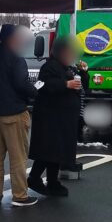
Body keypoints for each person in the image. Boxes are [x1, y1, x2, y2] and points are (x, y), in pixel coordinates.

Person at [0, 24, 38, 208]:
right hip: (14, 112)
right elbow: (22, 84)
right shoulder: (16, 59)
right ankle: (20, 195)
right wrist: (36, 92)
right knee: (18, 157)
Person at [28, 36, 88, 196]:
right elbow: (42, 86)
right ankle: (34, 177)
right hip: (50, 118)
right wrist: (65, 84)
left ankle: (53, 182)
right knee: (48, 150)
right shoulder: (49, 67)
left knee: (58, 152)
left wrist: (83, 72)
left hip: (64, 119)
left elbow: (83, 86)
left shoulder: (69, 68)